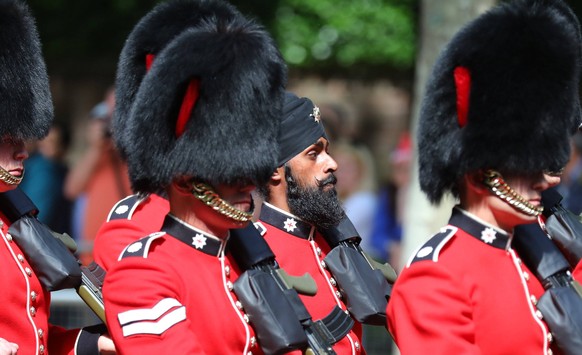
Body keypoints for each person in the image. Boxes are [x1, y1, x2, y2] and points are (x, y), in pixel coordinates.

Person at [387, 0, 582, 353]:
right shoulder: (437, 276)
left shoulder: (541, 254)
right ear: (480, 172)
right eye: (525, 165)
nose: (545, 179)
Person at [101, 0, 287, 352]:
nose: (249, 181)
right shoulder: (143, 272)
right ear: (185, 180)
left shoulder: (241, 256)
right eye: (231, 173)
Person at [0, 1, 114, 353]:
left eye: (22, 139)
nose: (23, 151)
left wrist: (104, 346)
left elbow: (38, 322)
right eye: (7, 140)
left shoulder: (14, 217)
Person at [254, 91, 366, 354]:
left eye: (327, 150)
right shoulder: (257, 255)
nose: (332, 164)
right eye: (313, 154)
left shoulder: (333, 239)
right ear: (274, 170)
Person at [64, 86, 131, 265]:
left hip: (131, 252)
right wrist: (96, 148)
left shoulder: (139, 156)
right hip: (94, 256)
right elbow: (72, 189)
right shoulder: (97, 156)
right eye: (107, 119)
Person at [20, 122, 72, 234]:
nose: (43, 146)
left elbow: (34, 219)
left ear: (63, 148)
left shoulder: (44, 170)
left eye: (51, 142)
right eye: (42, 140)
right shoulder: (36, 166)